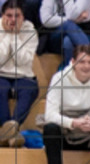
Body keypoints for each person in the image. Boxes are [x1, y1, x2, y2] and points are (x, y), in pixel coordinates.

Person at [0, 0, 39, 144]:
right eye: (9, 16)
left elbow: (23, 61)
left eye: (17, 16)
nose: (12, 20)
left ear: (23, 17)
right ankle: (11, 133)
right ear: (3, 16)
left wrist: (15, 36)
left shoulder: (30, 30)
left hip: (23, 75)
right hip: (1, 74)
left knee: (30, 89)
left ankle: (8, 131)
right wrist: (8, 35)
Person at [39, 0, 90, 67]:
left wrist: (69, 19)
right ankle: (89, 57)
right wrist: (67, 20)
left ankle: (66, 70)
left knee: (67, 42)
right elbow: (45, 20)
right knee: (67, 25)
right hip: (57, 39)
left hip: (84, 35)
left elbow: (72, 14)